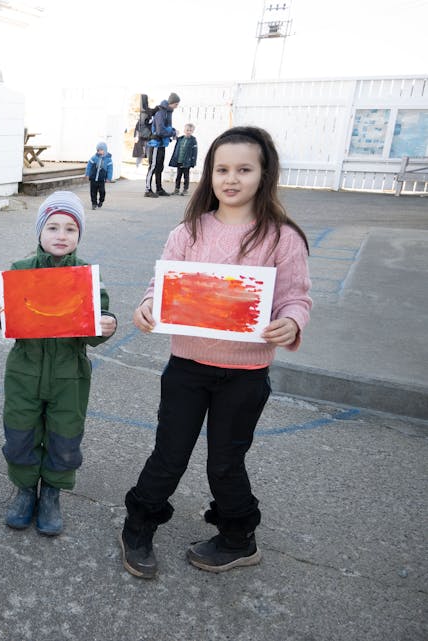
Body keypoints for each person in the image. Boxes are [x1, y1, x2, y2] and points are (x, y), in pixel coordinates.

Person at [119, 126, 312, 579]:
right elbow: (161, 285)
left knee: (226, 461)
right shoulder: (187, 232)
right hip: (187, 366)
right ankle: (138, 525)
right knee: (170, 453)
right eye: (222, 169)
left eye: (244, 169)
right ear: (209, 175)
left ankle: (238, 538)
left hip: (246, 374)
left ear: (264, 174)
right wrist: (148, 306)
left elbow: (296, 298)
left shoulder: (283, 238)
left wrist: (292, 322)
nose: (232, 178)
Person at [0, 191, 117, 536]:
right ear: (40, 233)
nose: (61, 236)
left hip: (69, 377)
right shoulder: (20, 272)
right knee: (19, 434)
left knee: (64, 438)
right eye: (53, 227)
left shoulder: (89, 278)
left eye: (70, 229)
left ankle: (52, 496)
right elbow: (10, 323)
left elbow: (95, 329)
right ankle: (25, 491)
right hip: (24, 373)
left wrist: (106, 325)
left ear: (79, 236)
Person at [144, 92, 180, 197]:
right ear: (172, 102)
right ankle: (148, 190)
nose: (177, 106)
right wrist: (173, 132)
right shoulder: (161, 112)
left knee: (160, 167)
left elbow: (165, 127)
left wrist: (172, 131)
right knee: (153, 166)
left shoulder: (167, 112)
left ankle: (159, 189)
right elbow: (160, 131)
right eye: (176, 104)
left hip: (161, 144)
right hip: (155, 144)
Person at [169, 123, 198, 195]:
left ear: (192, 131)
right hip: (179, 160)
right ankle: (176, 189)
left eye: (190, 131)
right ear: (184, 130)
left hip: (187, 162)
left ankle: (185, 189)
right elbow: (174, 138)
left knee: (186, 176)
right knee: (178, 176)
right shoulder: (180, 139)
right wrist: (174, 133)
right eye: (187, 130)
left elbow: (195, 152)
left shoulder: (193, 140)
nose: (188, 132)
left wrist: (193, 162)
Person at [85, 142, 114, 210]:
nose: (99, 151)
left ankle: (101, 201)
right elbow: (89, 166)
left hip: (101, 179)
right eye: (98, 150)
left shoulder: (108, 160)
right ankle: (94, 203)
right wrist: (87, 174)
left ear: (105, 150)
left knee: (102, 191)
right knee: (93, 192)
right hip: (93, 178)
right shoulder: (94, 158)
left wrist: (109, 178)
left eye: (101, 150)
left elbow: (110, 169)